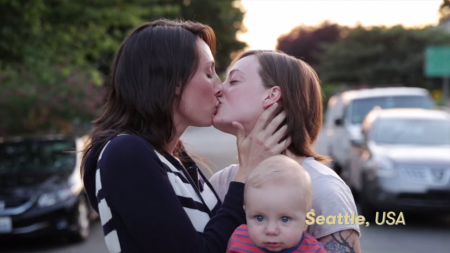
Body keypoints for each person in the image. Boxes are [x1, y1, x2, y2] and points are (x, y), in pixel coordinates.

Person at [81, 20, 290, 253]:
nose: (219, 87)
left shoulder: (176, 160)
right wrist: (245, 173)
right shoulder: (126, 153)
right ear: (175, 81)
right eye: (209, 73)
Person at [210, 50, 362, 252]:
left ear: (271, 95)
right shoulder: (221, 182)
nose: (219, 88)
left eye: (234, 80)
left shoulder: (323, 188)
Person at [227, 155, 326, 253]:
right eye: (259, 218)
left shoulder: (314, 251)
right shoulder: (238, 241)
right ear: (246, 214)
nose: (271, 230)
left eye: (285, 219)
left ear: (307, 220)